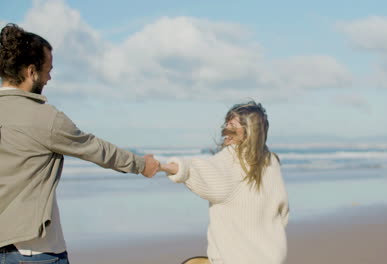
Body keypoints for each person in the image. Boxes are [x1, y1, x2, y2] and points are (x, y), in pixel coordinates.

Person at [0, 23, 160, 263]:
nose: (50, 77)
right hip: (34, 251)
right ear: (31, 71)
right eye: (47, 69)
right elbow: (95, 149)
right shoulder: (45, 118)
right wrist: (141, 164)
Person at [160, 101, 289, 264]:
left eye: (232, 125)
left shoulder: (231, 158)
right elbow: (283, 212)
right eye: (226, 123)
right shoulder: (271, 161)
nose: (225, 129)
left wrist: (160, 166)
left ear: (249, 131)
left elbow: (196, 170)